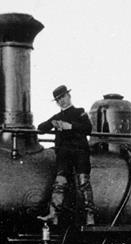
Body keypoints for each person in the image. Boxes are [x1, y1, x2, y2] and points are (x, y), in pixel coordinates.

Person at [37, 85, 95, 226]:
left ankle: (90, 215)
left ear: (69, 96)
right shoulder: (57, 117)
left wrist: (71, 126)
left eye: (63, 97)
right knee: (59, 184)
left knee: (84, 183)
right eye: (58, 100)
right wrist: (52, 123)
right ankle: (53, 214)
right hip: (64, 155)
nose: (61, 101)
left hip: (80, 153)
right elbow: (41, 128)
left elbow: (88, 128)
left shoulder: (80, 112)